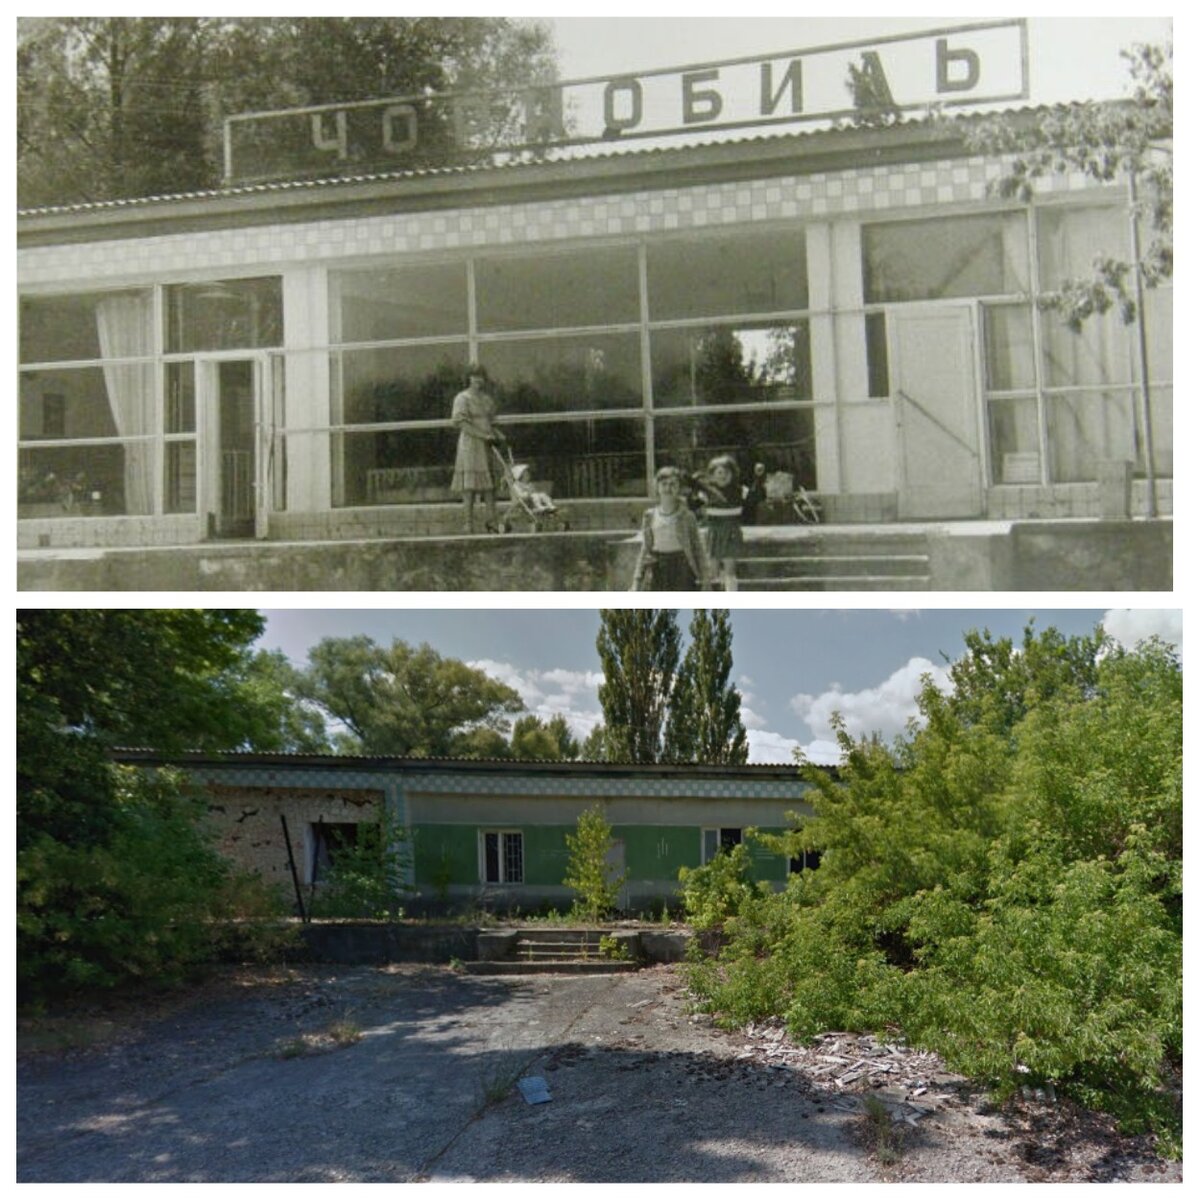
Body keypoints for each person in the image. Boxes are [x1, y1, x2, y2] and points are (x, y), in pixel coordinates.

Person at [631, 466, 710, 591]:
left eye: (673, 484)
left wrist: (705, 579)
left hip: (682, 566)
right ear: (657, 487)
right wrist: (636, 580)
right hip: (657, 567)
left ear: (679, 488)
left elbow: (698, 547)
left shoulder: (687, 516)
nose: (668, 488)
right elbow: (645, 548)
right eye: (664, 484)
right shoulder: (649, 516)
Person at [451, 365, 504, 533]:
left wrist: (497, 434)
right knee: (470, 486)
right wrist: (482, 435)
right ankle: (468, 523)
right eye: (474, 376)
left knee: (489, 486)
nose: (478, 380)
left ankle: (492, 522)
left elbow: (492, 422)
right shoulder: (462, 398)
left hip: (488, 445)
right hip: (471, 444)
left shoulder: (487, 399)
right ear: (468, 378)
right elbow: (461, 423)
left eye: (481, 376)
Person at [695, 453, 744, 592]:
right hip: (714, 533)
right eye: (718, 472)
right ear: (711, 475)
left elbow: (755, 498)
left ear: (733, 474)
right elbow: (693, 505)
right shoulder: (707, 493)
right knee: (712, 569)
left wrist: (759, 479)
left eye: (726, 472)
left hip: (731, 533)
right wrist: (695, 485)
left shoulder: (740, 491)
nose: (722, 476)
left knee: (730, 570)